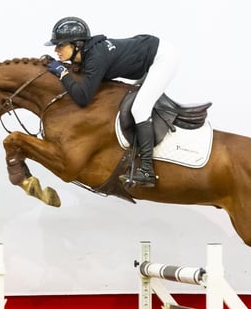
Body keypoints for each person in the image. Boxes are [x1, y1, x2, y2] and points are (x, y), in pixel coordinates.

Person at [44, 16, 179, 188]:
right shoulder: (89, 54)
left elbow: (83, 98)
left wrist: (63, 74)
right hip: (150, 51)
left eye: (60, 45)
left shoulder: (95, 57)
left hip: (163, 58)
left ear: (77, 44)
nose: (56, 49)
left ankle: (147, 170)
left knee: (139, 109)